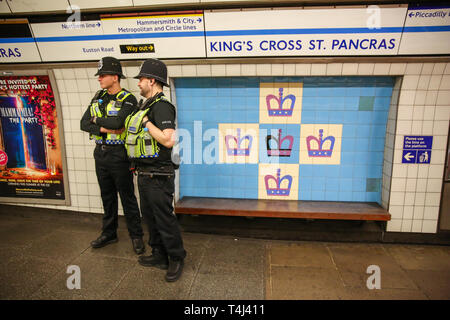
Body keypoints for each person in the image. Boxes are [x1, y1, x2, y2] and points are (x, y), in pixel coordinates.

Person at [124, 58, 186, 282]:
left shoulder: (161, 106)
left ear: (152, 81)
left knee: (164, 219)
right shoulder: (146, 105)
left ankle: (177, 258)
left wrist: (147, 123)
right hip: (145, 173)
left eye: (141, 79)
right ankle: (159, 254)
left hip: (159, 174)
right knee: (150, 218)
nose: (138, 83)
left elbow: (168, 141)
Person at [80, 56, 145, 255]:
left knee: (127, 197)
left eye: (103, 75)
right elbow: (84, 123)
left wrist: (96, 122)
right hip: (100, 153)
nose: (99, 79)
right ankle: (109, 233)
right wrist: (103, 126)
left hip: (119, 154)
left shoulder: (129, 99)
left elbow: (118, 124)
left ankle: (136, 236)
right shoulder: (98, 96)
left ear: (115, 77)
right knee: (106, 196)